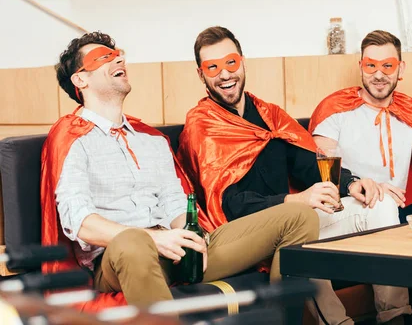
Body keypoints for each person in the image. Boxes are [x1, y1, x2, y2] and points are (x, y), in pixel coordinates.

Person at [42, 32, 320, 310]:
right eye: (104, 57)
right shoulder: (71, 137)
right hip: (123, 256)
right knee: (133, 242)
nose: (119, 59)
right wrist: (155, 238)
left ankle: (283, 319)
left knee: (299, 216)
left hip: (175, 249)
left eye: (117, 54)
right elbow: (80, 221)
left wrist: (190, 235)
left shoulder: (150, 139)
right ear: (80, 80)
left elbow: (174, 201)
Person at [177, 26, 411, 325]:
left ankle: (395, 317)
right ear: (201, 75)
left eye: (230, 63)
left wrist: (351, 183)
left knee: (381, 204)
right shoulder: (202, 126)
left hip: (297, 215)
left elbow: (308, 163)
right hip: (247, 236)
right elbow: (229, 205)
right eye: (213, 67)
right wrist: (295, 200)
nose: (224, 75)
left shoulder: (268, 114)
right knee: (303, 224)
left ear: (243, 62)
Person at [309, 30, 412, 325]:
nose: (378, 74)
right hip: (359, 213)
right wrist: (365, 185)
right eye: (370, 66)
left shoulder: (408, 110)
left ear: (400, 68)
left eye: (387, 66)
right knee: (384, 207)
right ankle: (410, 315)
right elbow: (324, 170)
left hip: (399, 212)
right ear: (360, 66)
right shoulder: (334, 111)